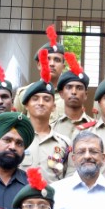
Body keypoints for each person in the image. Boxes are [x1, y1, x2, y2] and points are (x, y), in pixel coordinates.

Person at [19, 51, 71, 181]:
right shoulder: (16, 139)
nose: (41, 103)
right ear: (26, 105)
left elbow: (68, 178)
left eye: (47, 99)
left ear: (54, 106)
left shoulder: (64, 143)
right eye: (35, 99)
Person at [51, 53, 93, 140]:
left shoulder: (95, 127)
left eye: (79, 88)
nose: (74, 92)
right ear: (61, 94)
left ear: (86, 95)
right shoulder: (52, 128)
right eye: (69, 87)